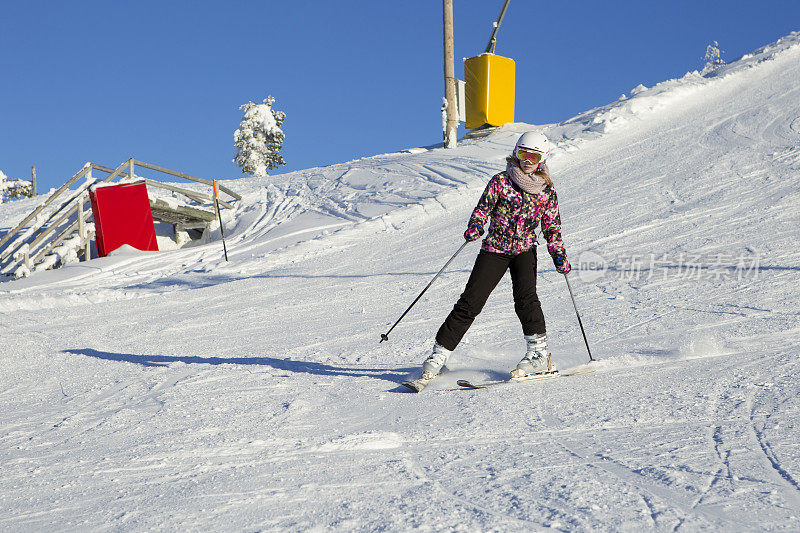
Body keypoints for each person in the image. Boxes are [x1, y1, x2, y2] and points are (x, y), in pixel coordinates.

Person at [420, 131, 571, 381]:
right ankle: (439, 355)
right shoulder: (500, 181)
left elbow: (551, 227)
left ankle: (539, 355)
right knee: (470, 301)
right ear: (516, 152)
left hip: (524, 250)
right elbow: (483, 208)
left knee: (526, 300)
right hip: (495, 249)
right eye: (523, 154)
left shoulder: (546, 191)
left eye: (533, 156)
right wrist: (476, 225)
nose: (527, 161)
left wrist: (558, 253)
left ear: (542, 159)